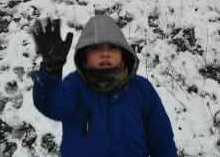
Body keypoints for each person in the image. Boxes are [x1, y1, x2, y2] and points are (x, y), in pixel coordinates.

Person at [31, 15, 177, 157]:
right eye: (96, 48)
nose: (105, 53)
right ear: (84, 55)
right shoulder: (75, 87)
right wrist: (51, 72)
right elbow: (51, 106)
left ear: (123, 54)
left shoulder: (142, 90)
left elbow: (162, 140)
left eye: (113, 47)